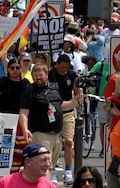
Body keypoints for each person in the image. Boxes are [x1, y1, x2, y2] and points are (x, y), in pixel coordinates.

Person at [19, 63, 82, 185]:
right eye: (35, 75)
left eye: (40, 75)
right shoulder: (30, 91)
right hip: (41, 134)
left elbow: (62, 105)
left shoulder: (53, 88)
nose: (38, 78)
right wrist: (25, 129)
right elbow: (23, 113)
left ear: (46, 75)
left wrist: (79, 101)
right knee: (45, 167)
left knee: (49, 165)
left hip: (56, 135)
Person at [0, 56, 30, 172]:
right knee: (4, 146)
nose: (15, 70)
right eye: (12, 68)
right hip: (4, 119)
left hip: (20, 119)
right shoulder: (1, 82)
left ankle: (15, 171)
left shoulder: (26, 83)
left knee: (20, 147)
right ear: (8, 69)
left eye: (18, 67)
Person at [48, 53, 81, 184]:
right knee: (55, 143)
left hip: (67, 112)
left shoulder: (72, 75)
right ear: (57, 65)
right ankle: (53, 169)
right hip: (53, 111)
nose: (64, 70)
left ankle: (68, 171)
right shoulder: (50, 75)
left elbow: (78, 94)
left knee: (68, 141)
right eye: (62, 68)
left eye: (66, 68)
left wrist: (71, 102)